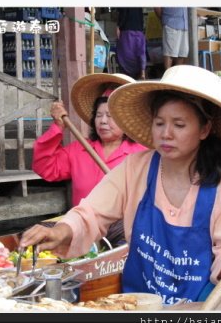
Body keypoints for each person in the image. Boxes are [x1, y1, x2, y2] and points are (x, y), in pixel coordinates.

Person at [22, 66, 221, 309]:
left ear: (204, 129)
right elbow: (92, 213)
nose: (166, 133)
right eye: (159, 123)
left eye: (179, 125)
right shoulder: (136, 168)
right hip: (138, 303)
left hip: (199, 306)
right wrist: (61, 230)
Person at [32, 73, 147, 245]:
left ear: (125, 121)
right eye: (99, 115)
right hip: (81, 225)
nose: (103, 121)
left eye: (110, 116)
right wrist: (57, 128)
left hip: (121, 228)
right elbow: (45, 167)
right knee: (36, 236)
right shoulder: (79, 149)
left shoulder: (142, 154)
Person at [115, 7, 147, 80]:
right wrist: (142, 30)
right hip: (139, 30)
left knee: (125, 54)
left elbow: (123, 14)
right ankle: (142, 71)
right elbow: (141, 16)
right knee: (140, 52)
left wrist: (119, 26)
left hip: (127, 30)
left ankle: (127, 76)